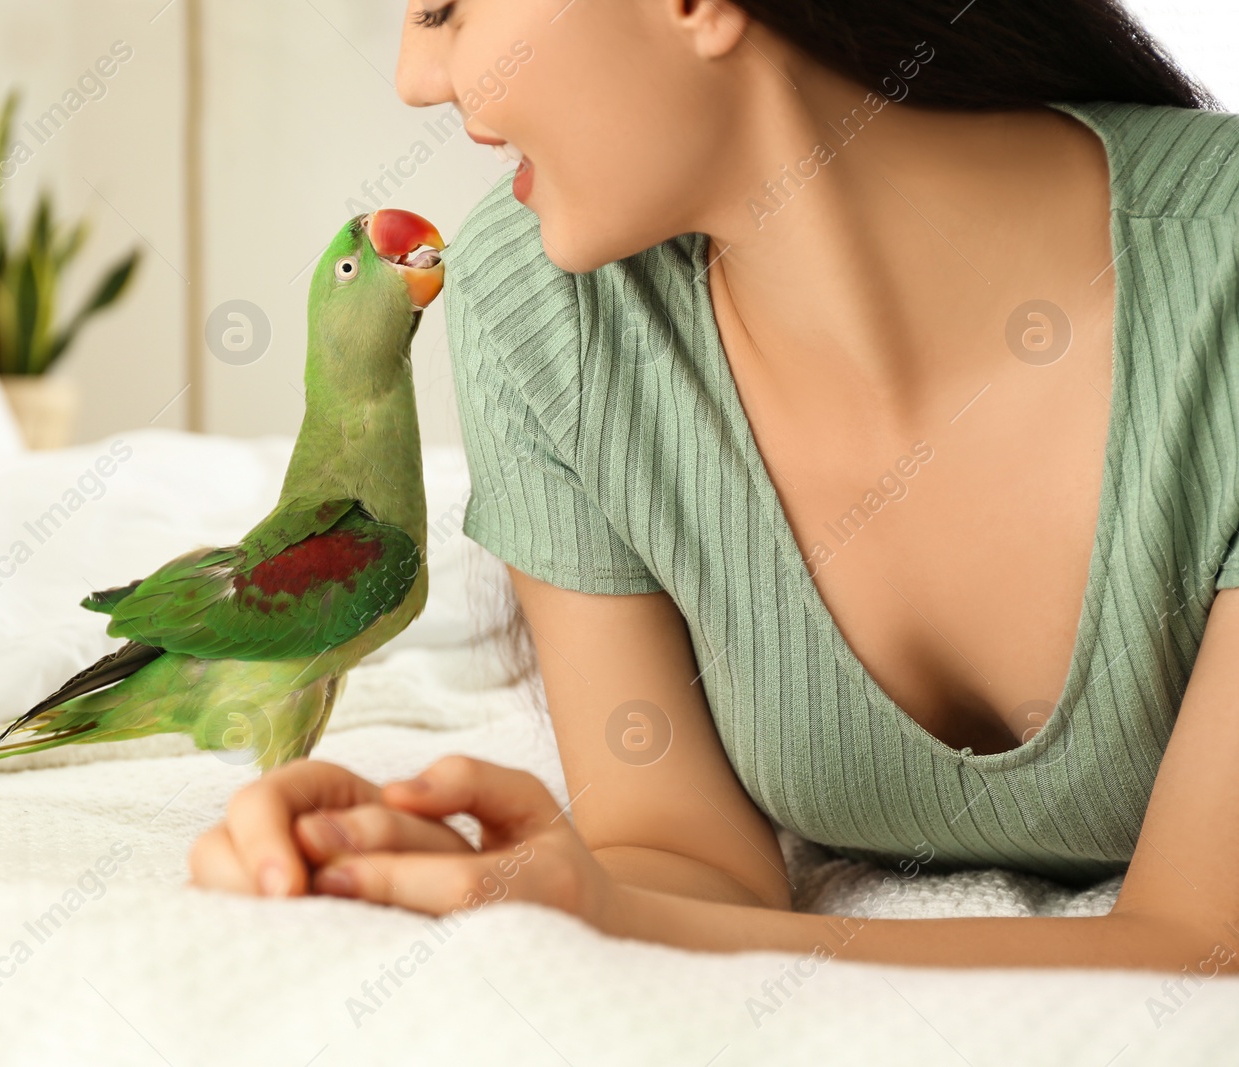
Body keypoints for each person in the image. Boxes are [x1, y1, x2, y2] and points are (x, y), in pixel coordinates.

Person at [190, 0, 1239, 971]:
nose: (416, 75)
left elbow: (1201, 941)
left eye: (446, 8)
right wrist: (449, 874)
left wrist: (626, 915)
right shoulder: (543, 310)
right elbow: (675, 854)